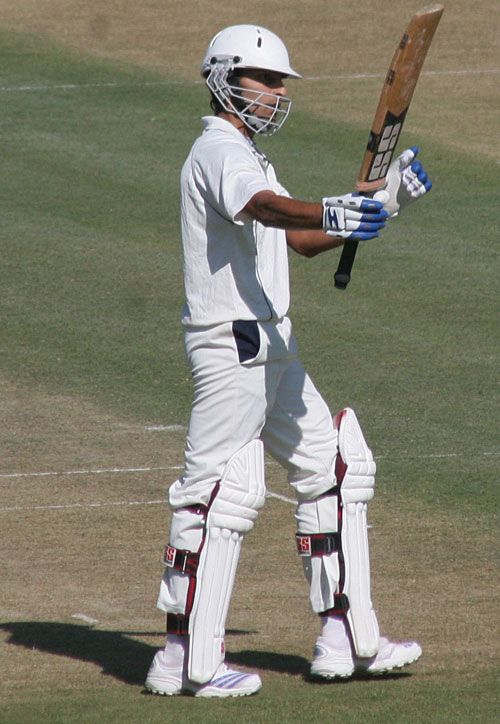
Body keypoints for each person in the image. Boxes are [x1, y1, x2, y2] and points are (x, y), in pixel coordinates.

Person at [145, 24, 432, 698]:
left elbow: (298, 238)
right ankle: (184, 657)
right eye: (266, 81)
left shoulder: (249, 155)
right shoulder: (219, 151)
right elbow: (267, 209)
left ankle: (343, 637)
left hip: (274, 346)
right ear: (226, 79)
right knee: (213, 496)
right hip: (233, 346)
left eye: (280, 84)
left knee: (335, 468)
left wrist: (380, 203)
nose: (276, 94)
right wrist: (335, 211)